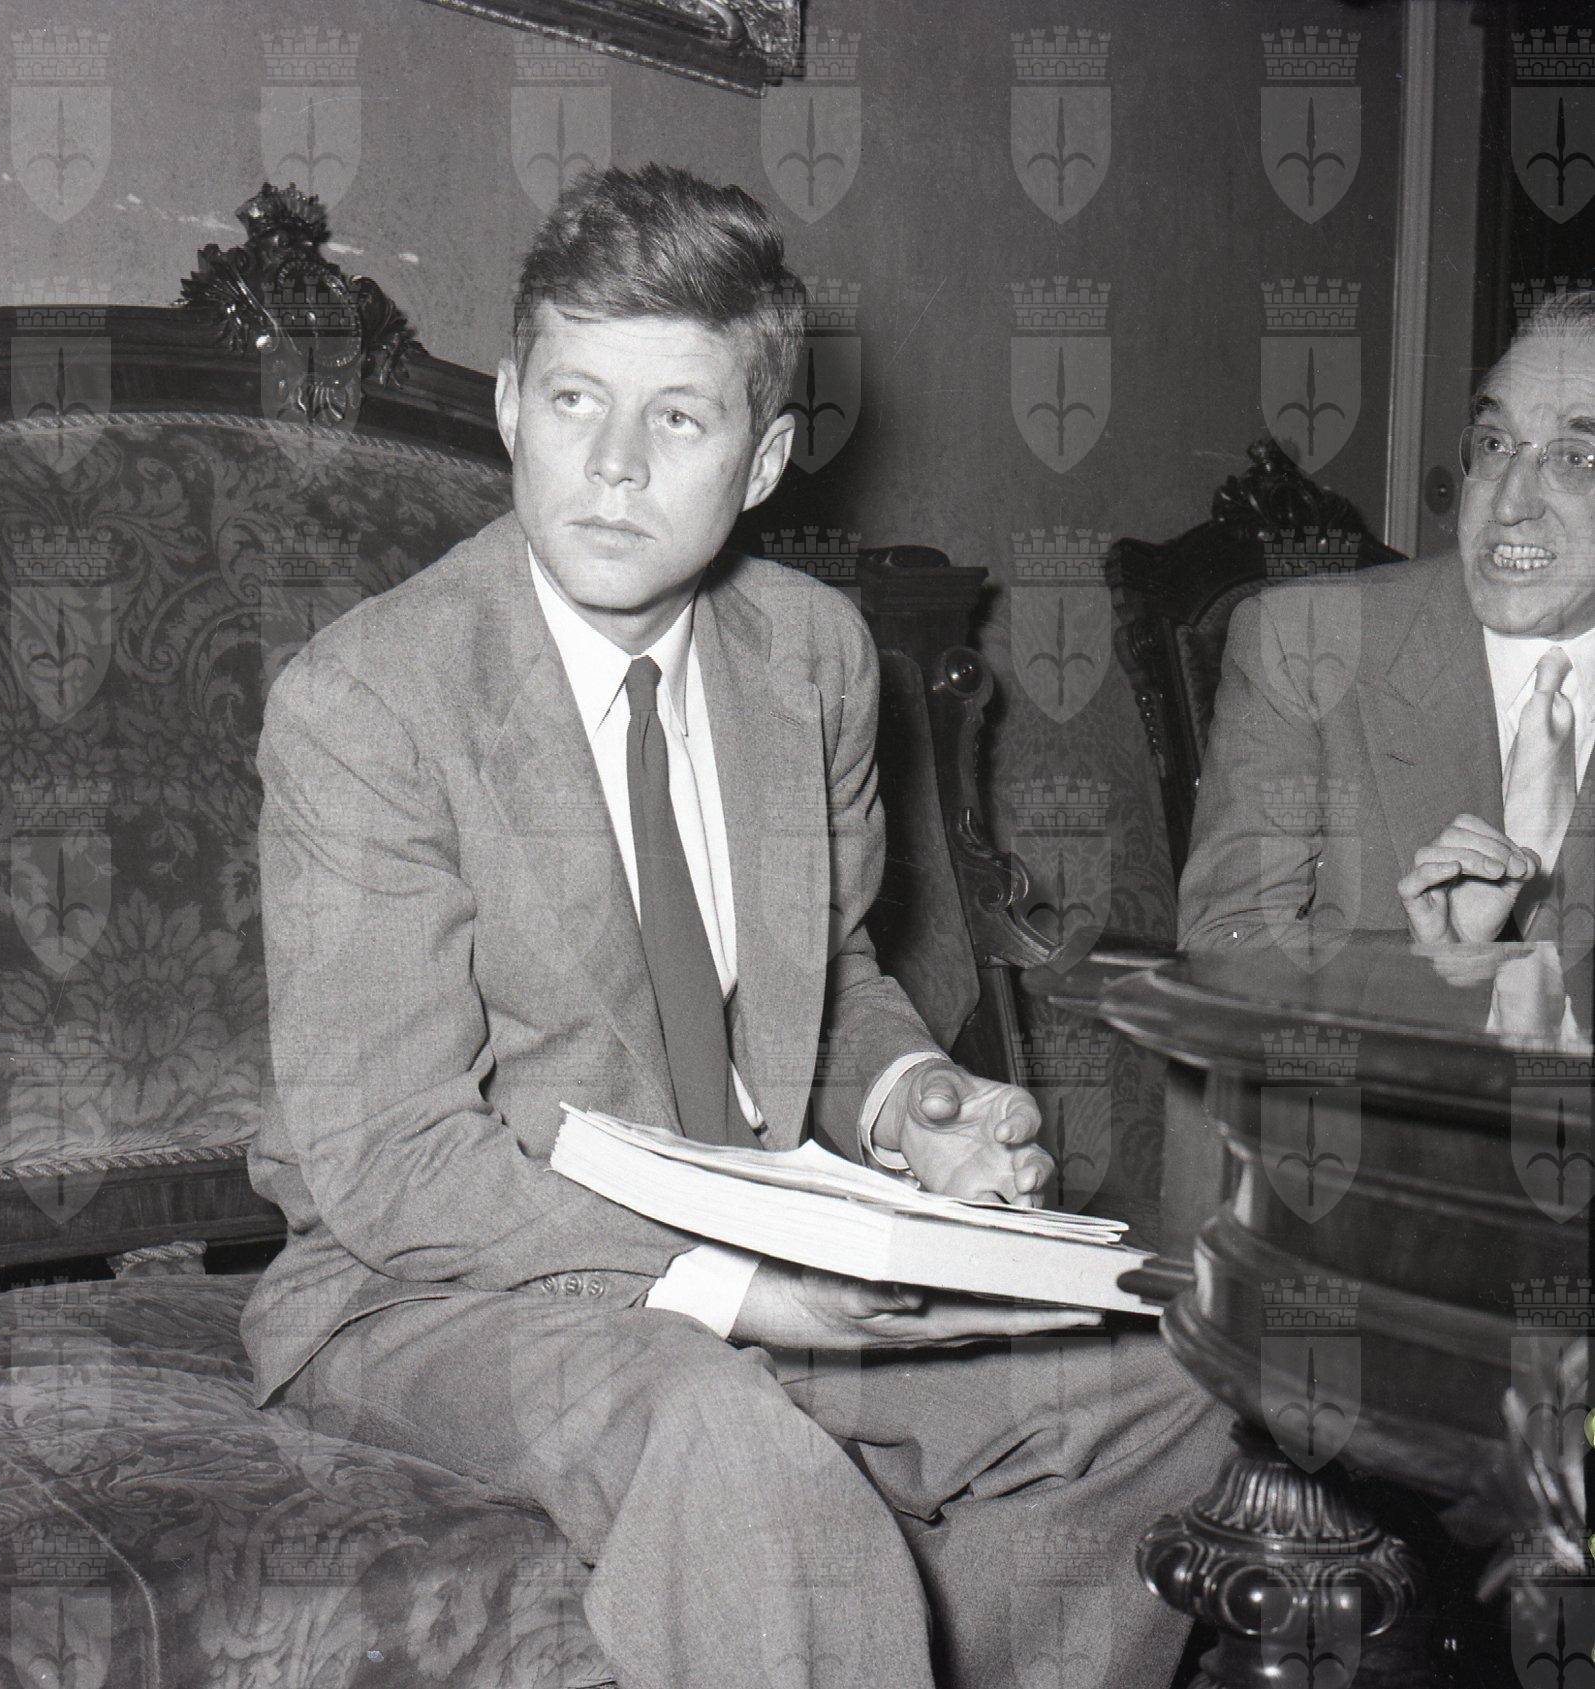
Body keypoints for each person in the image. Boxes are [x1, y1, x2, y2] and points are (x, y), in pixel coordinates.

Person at [243, 163, 1226, 1689]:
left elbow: (820, 981)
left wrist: (912, 1102)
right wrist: (736, 1286)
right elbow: (391, 1158)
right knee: (730, 1445)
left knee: (1174, 1387)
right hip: (431, 1285)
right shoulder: (370, 700)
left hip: (764, 1232)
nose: (612, 466)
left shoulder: (813, 657)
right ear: (508, 404)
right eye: (574, 401)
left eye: (678, 420)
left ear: (763, 458)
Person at [1180, 291, 1595, 960]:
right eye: (1494, 444)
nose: (1508, 503)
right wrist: (1428, 963)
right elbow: (1222, 950)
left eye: (1575, 458)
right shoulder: (1302, 644)